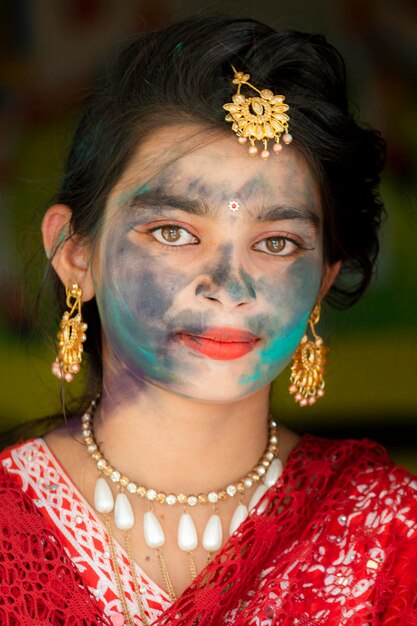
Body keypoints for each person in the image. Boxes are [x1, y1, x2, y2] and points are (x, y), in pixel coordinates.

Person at [1, 16, 416, 626]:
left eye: (277, 243)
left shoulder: (389, 536)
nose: (229, 287)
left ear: (323, 281)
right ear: (74, 253)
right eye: (174, 232)